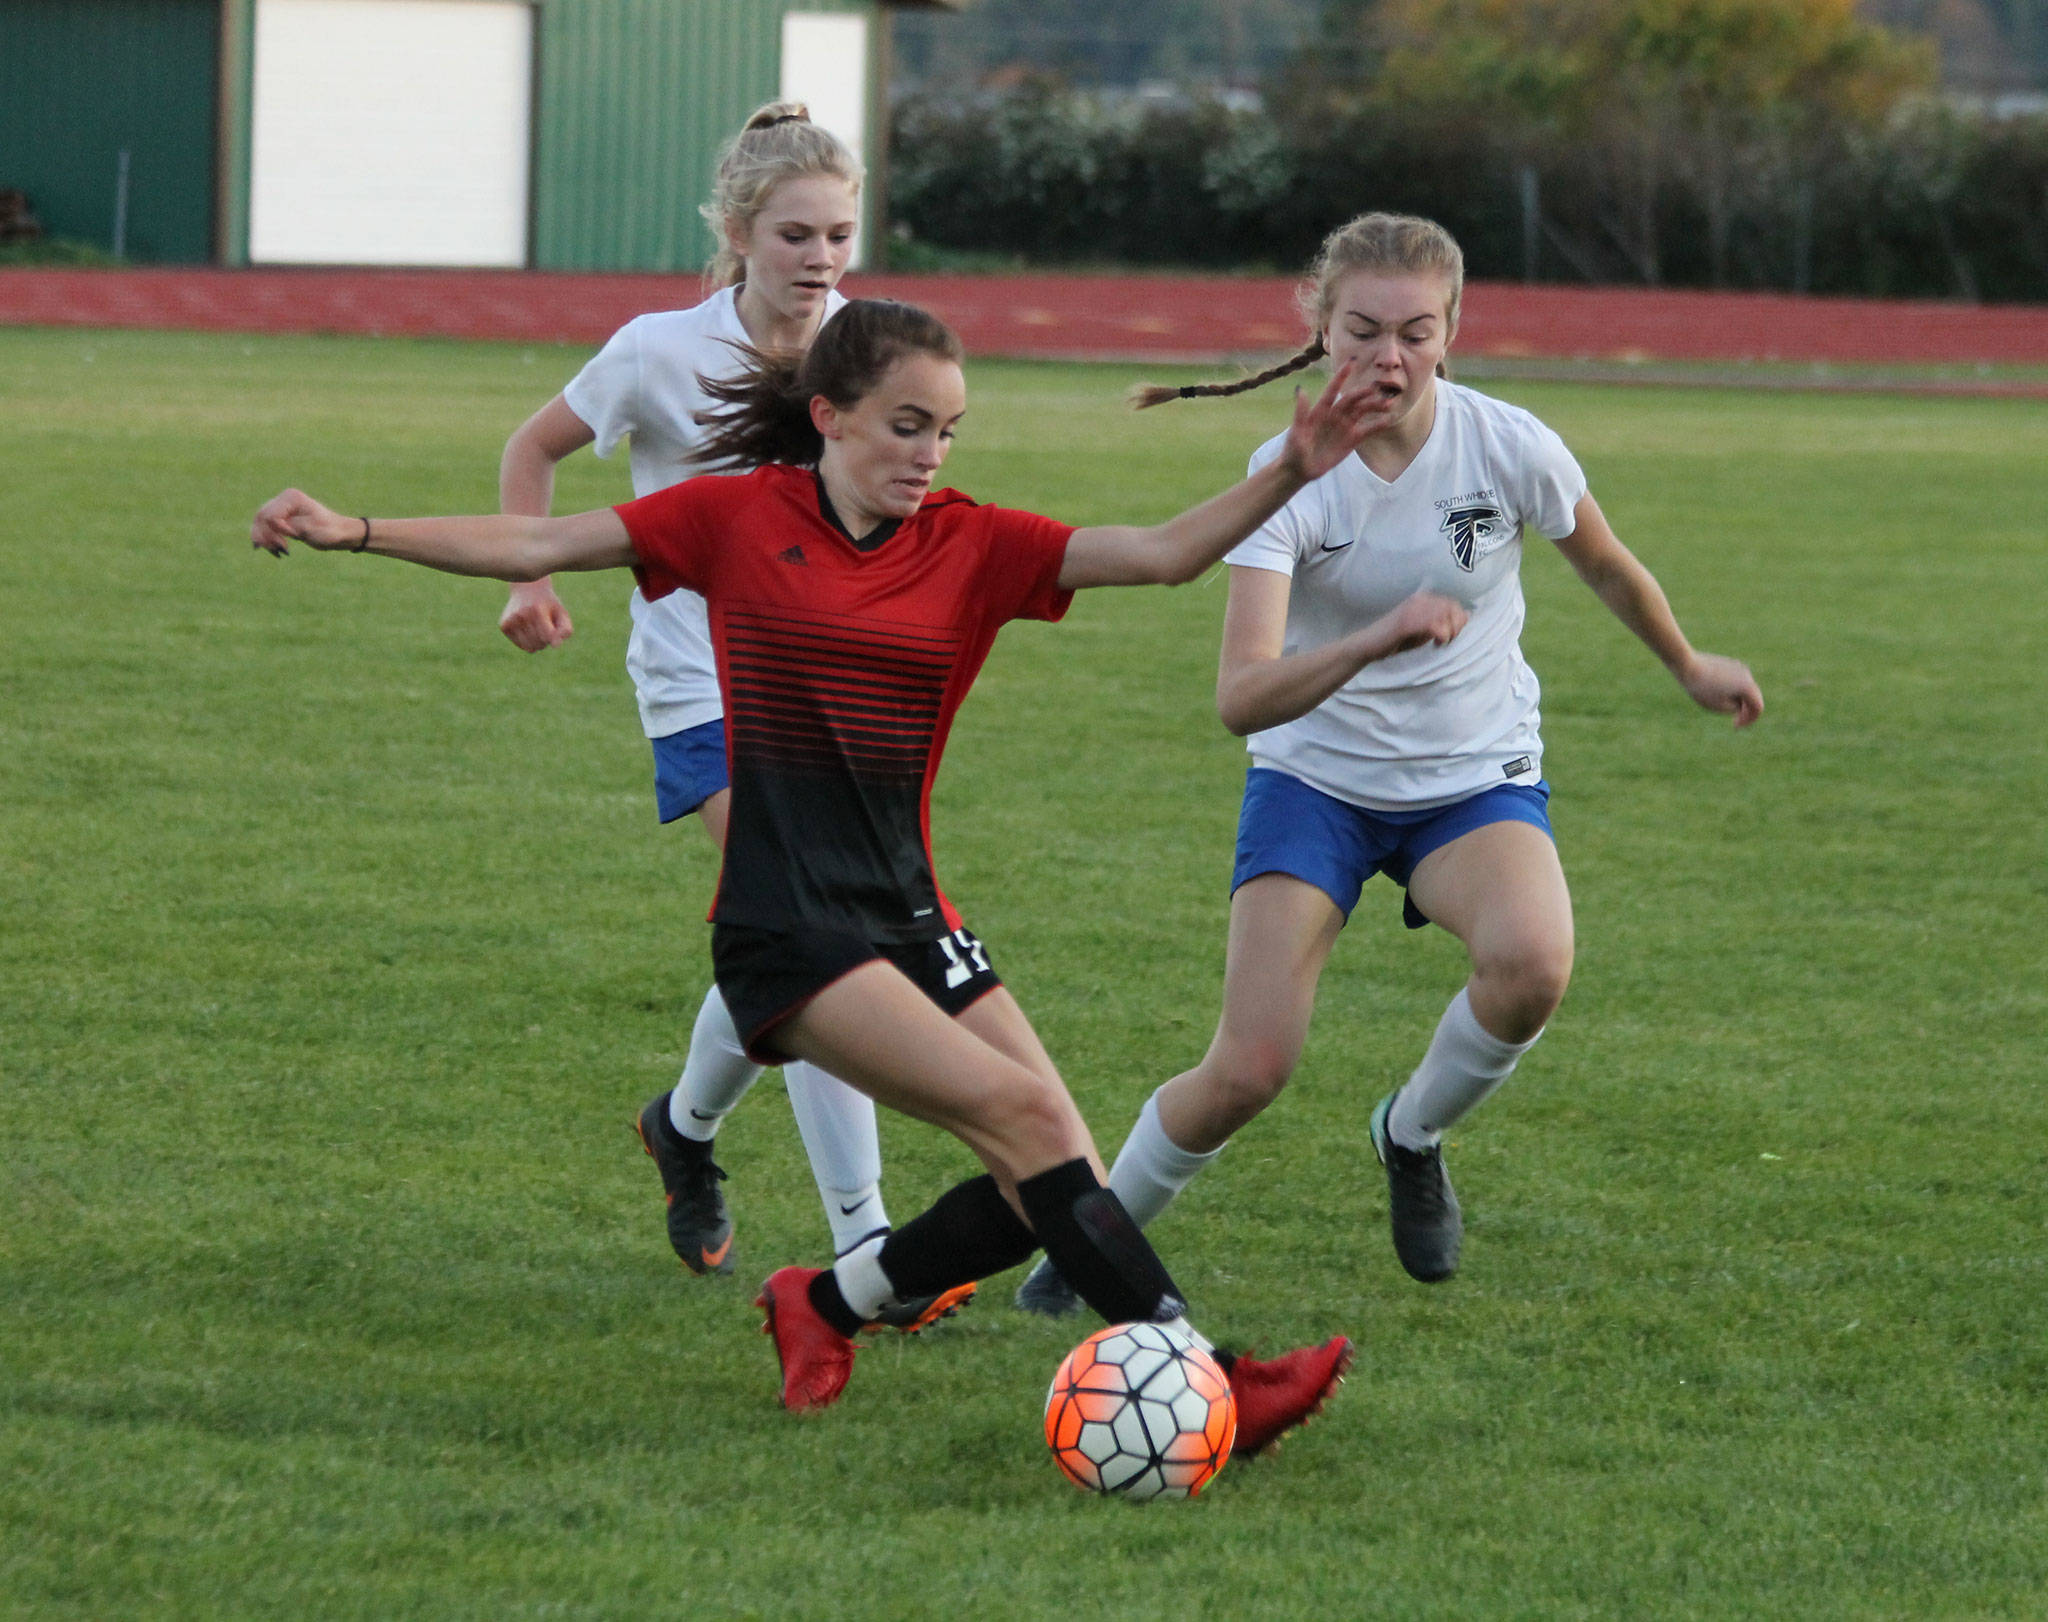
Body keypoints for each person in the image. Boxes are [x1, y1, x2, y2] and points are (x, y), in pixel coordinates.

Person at [251, 297, 1435, 1447]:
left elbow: (1165, 554)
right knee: (1025, 1121)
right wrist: (357, 528)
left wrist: (1291, 463)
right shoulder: (732, 516)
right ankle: (1212, 1378)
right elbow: (540, 538)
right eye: (904, 424)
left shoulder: (971, 543)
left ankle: (823, 1303)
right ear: (827, 414)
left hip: (908, 908)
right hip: (785, 925)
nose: (929, 454)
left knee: (1050, 1176)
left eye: (948, 429)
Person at [1016, 212, 1764, 1313]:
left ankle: (1408, 1132)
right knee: (1248, 1068)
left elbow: (1603, 564)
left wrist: (1688, 661)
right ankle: (1085, 1252)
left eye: (1415, 332)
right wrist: (1373, 637)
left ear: (1451, 332)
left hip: (1470, 774)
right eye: (1361, 330)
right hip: (1312, 780)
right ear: (1319, 330)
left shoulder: (1506, 444)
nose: (1387, 358)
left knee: (1532, 964)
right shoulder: (1286, 474)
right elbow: (1238, 696)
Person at [494, 101, 921, 1304]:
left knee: (790, 937)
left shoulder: (869, 348)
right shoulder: (655, 350)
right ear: (739, 232)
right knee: (821, 936)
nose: (822, 259)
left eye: (840, 233)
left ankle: (683, 1125)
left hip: (826, 689)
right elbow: (532, 451)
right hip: (697, 685)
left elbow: (905, 497)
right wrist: (530, 574)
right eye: (796, 235)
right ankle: (864, 1241)